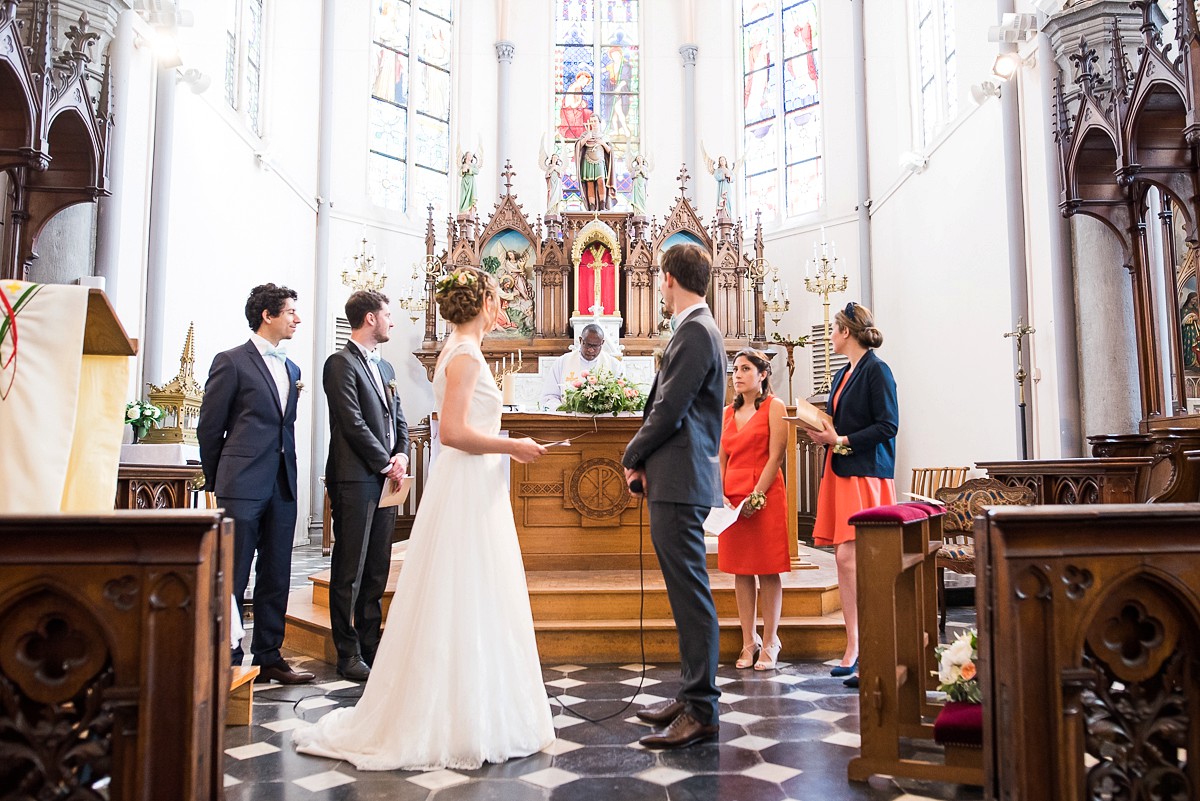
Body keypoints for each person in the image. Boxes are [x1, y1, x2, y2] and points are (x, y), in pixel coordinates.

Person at [293, 266, 553, 770]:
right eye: (498, 299)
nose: (502, 309)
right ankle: (455, 716)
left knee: (473, 591)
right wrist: (513, 446)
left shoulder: (462, 351)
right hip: (467, 484)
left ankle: (473, 703)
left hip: (473, 485)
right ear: (480, 303)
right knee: (464, 587)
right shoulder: (464, 356)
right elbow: (452, 433)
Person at [622, 243, 725, 749]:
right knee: (685, 594)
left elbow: (669, 409)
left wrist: (631, 454)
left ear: (667, 279)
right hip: (675, 477)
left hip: (681, 481)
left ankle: (703, 709)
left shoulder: (697, 331)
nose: (659, 288)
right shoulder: (695, 329)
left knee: (691, 596)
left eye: (660, 281)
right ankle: (690, 695)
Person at [197, 283, 314, 685]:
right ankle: (226, 655)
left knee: (277, 572)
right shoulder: (231, 361)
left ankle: (269, 655)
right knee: (234, 571)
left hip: (282, 484)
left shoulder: (292, 368)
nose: (297, 318)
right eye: (290, 312)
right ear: (268, 315)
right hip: (241, 484)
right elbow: (210, 429)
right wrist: (218, 480)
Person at [809, 302, 899, 689]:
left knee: (854, 557)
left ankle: (872, 648)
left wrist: (841, 439)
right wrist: (821, 429)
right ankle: (855, 646)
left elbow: (888, 425)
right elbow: (841, 420)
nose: (830, 334)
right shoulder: (843, 373)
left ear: (847, 332)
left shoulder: (877, 370)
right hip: (842, 470)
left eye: (833, 328)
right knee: (846, 560)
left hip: (866, 474)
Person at [322, 290, 409, 681]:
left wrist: (402, 455)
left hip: (388, 478)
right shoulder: (339, 364)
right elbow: (352, 421)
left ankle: (372, 645)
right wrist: (383, 463)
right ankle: (348, 651)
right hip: (356, 477)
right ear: (370, 319)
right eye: (388, 315)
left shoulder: (387, 369)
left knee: (377, 567)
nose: (392, 321)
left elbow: (401, 419)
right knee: (350, 568)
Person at [718, 349, 790, 671]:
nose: (738, 375)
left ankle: (771, 640)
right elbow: (721, 459)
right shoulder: (726, 414)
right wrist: (720, 496)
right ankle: (749, 641)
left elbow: (776, 457)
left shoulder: (775, 408)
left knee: (767, 568)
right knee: (741, 570)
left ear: (762, 375)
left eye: (746, 368)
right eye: (735, 369)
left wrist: (756, 497)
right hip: (732, 501)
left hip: (765, 496)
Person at [539, 323, 623, 409]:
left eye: (595, 346)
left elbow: (621, 397)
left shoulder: (614, 365)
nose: (590, 350)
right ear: (580, 340)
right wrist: (563, 410)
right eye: (587, 344)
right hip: (569, 419)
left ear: (602, 343)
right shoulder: (562, 362)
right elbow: (549, 397)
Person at [575, 117, 615, 211]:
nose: (593, 123)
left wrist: (603, 143)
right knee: (590, 183)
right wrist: (586, 138)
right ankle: (591, 207)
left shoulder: (603, 135)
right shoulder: (585, 134)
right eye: (591, 121)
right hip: (587, 160)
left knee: (601, 181)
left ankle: (602, 206)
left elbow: (610, 151)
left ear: (599, 122)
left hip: (600, 161)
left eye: (595, 121)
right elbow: (578, 145)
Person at [458, 151, 480, 216]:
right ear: (466, 156)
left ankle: (469, 210)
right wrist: (463, 170)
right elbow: (459, 173)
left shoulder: (473, 165)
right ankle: (463, 210)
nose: (470, 157)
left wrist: (469, 169)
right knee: (463, 196)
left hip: (471, 182)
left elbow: (477, 171)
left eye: (471, 155)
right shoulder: (463, 165)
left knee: (470, 195)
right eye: (469, 155)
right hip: (464, 181)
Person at [630, 152, 650, 216]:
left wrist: (643, 172)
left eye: (640, 158)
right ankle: (637, 211)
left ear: (642, 159)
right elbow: (632, 176)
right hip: (636, 183)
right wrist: (638, 172)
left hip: (642, 184)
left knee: (642, 197)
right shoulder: (635, 168)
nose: (639, 159)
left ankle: (643, 211)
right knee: (637, 197)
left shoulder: (645, 168)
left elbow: (647, 176)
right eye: (638, 158)